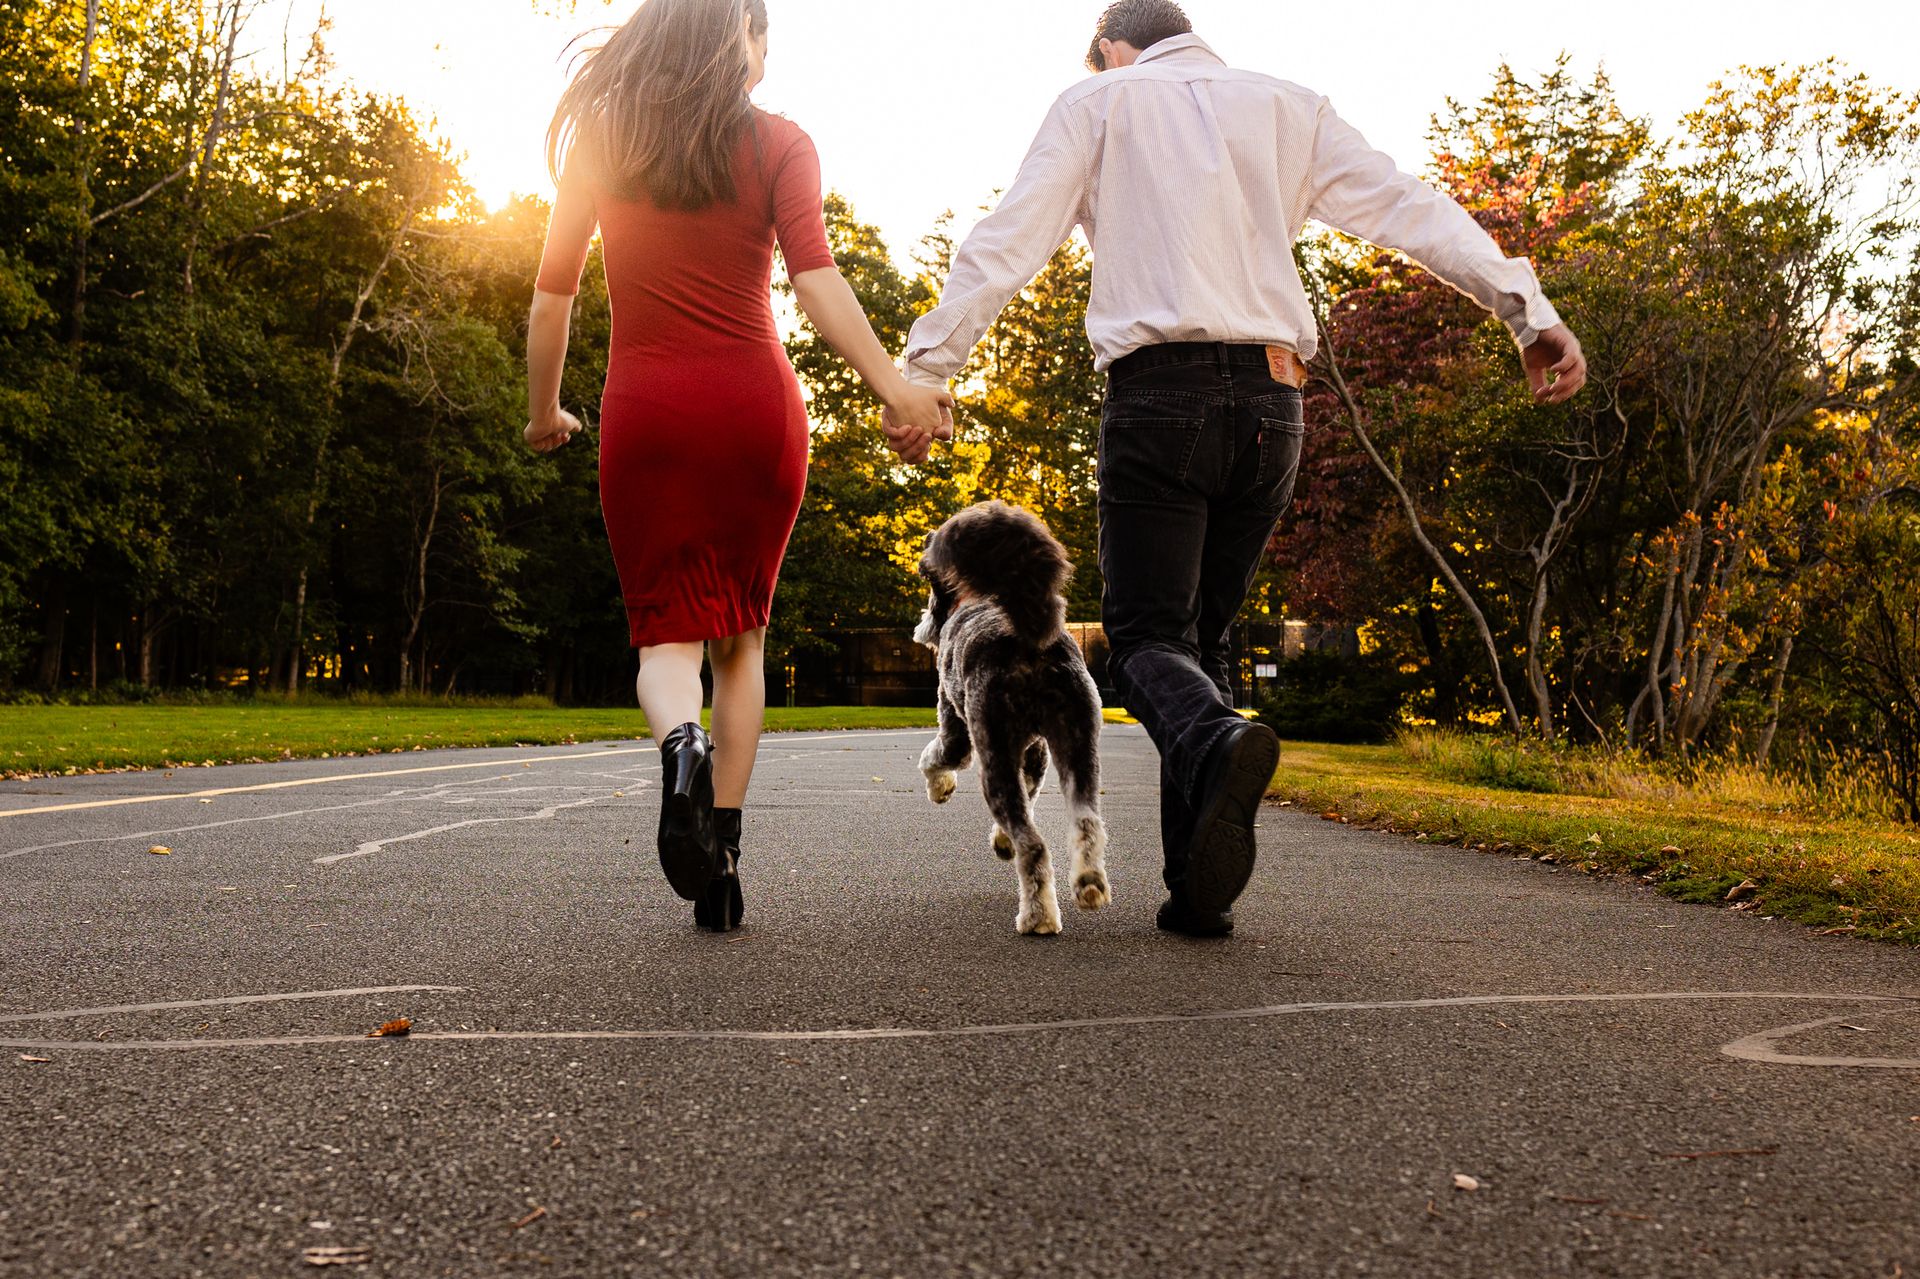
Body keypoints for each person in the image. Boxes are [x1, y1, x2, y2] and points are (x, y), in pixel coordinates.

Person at [891, 0, 1587, 938]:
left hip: (1160, 397)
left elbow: (1009, 238)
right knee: (1204, 642)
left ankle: (1217, 740)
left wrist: (930, 368)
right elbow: (1408, 207)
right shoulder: (1287, 105)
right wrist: (1524, 307)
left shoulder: (1097, 104)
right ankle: (1196, 890)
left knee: (1145, 639)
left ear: (1111, 49)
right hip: (1274, 401)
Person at [526, 0, 952, 933]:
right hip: (755, 415)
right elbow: (816, 279)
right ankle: (721, 862)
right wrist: (894, 387)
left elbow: (553, 296)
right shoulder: (781, 142)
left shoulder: (604, 141)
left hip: (647, 418)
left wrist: (544, 411)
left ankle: (680, 746)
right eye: (764, 37)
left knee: (665, 643)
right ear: (739, 38)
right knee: (742, 641)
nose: (767, 56)